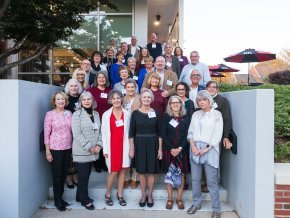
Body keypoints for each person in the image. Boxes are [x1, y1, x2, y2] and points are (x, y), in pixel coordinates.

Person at [187, 90, 223, 218]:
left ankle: (216, 208)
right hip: (195, 149)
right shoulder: (195, 114)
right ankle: (196, 203)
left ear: (209, 101)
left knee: (211, 181)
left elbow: (218, 134)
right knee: (195, 180)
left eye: (204, 100)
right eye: (199, 100)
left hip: (210, 149)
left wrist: (206, 148)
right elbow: (190, 132)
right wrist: (193, 146)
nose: (202, 102)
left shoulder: (217, 115)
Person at [129, 88, 163, 208]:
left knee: (151, 172)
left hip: (153, 143)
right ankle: (143, 194)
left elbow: (160, 133)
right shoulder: (135, 114)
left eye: (149, 97)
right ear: (141, 99)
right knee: (142, 172)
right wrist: (131, 148)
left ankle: (150, 196)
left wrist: (160, 149)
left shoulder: (156, 112)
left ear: (151, 99)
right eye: (144, 97)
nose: (146, 99)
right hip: (139, 144)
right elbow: (131, 133)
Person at [72, 92, 102, 210]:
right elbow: (77, 134)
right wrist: (89, 146)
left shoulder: (96, 114)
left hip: (94, 151)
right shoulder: (76, 114)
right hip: (82, 150)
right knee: (83, 176)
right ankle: (85, 200)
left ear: (92, 100)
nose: (86, 101)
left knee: (87, 174)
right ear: (80, 102)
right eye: (84, 99)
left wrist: (99, 145)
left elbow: (100, 131)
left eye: (89, 99)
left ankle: (79, 196)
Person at [101, 90, 131, 207]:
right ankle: (108, 194)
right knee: (113, 172)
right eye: (114, 98)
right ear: (110, 100)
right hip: (112, 147)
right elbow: (103, 133)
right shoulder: (106, 115)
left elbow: (129, 133)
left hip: (124, 146)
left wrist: (130, 148)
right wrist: (105, 150)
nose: (116, 100)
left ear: (121, 99)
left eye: (118, 98)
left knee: (123, 171)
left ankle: (120, 195)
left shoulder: (127, 114)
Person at [44, 91, 72, 211]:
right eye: (58, 99)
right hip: (55, 148)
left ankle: (60, 197)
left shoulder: (69, 113)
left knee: (64, 174)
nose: (61, 101)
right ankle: (57, 201)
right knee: (57, 175)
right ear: (54, 101)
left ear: (66, 101)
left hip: (68, 147)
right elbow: (46, 134)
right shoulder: (50, 114)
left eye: (63, 99)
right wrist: (47, 151)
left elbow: (72, 129)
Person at [162, 96, 190, 210]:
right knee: (169, 175)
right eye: (172, 102)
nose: (175, 104)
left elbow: (188, 135)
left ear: (181, 103)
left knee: (181, 175)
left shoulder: (186, 117)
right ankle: (169, 199)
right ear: (169, 104)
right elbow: (163, 134)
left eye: (177, 102)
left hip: (181, 151)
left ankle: (179, 199)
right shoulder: (166, 117)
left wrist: (179, 148)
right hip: (169, 151)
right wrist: (172, 149)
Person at [88, 72, 111, 173]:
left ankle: (104, 163)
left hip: (107, 119)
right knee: (96, 139)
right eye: (99, 77)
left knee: (105, 140)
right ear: (96, 79)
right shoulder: (91, 91)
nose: (101, 79)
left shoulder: (110, 91)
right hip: (95, 119)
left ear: (106, 79)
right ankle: (97, 163)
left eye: (103, 77)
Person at [175, 82, 195, 190]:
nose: (181, 91)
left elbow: (192, 119)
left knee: (184, 157)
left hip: (186, 132)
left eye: (183, 89)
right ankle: (175, 179)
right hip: (174, 133)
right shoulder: (173, 101)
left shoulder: (190, 103)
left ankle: (184, 180)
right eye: (179, 89)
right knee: (175, 157)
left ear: (186, 90)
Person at [64, 79, 83, 189]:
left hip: (79, 129)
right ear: (68, 87)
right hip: (68, 129)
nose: (74, 88)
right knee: (68, 154)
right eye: (71, 86)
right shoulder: (65, 98)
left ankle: (75, 176)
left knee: (75, 153)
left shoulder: (81, 97)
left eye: (76, 86)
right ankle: (68, 177)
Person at [123, 79, 141, 189]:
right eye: (128, 87)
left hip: (138, 129)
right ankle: (125, 177)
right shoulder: (122, 99)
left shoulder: (140, 98)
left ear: (135, 88)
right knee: (126, 152)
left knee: (136, 153)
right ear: (125, 88)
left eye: (132, 87)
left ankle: (135, 177)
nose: (130, 89)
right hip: (124, 129)